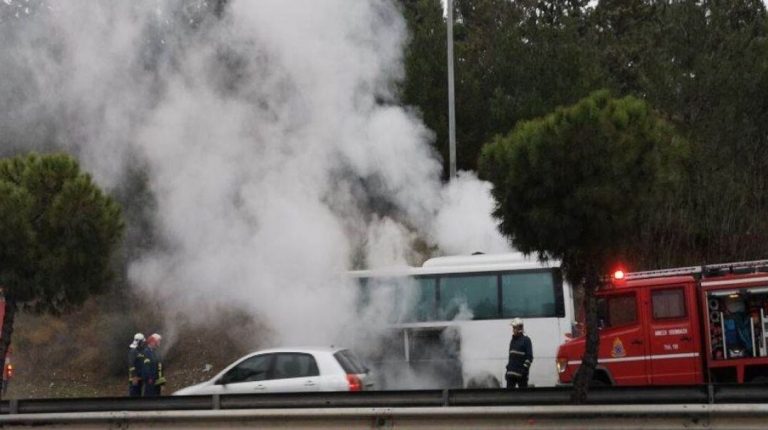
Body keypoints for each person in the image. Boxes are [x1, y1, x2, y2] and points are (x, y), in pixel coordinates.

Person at [505, 318, 533, 388]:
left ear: (520, 328)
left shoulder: (526, 340)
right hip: (511, 375)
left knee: (523, 397)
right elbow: (511, 358)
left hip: (521, 375)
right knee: (509, 397)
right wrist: (507, 371)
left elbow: (529, 357)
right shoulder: (512, 341)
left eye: (514, 328)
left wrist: (524, 370)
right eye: (513, 328)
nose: (513, 330)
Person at [127, 333, 147, 397]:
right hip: (135, 378)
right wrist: (134, 376)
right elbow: (131, 364)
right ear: (139, 342)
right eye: (142, 342)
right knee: (134, 395)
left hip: (140, 377)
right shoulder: (133, 351)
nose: (143, 343)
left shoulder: (141, 351)